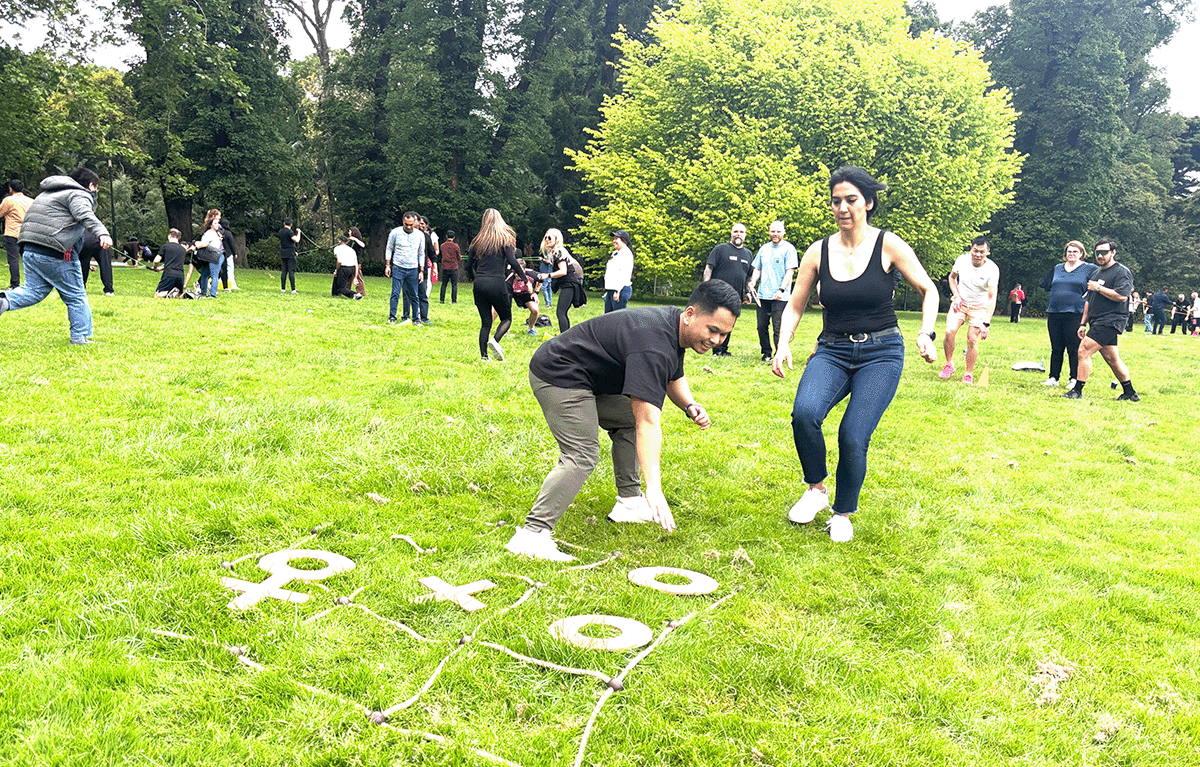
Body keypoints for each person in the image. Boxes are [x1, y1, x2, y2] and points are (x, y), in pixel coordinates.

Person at [505, 279, 742, 561]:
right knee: (582, 454)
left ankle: (629, 503)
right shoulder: (653, 343)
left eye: (724, 334)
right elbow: (647, 423)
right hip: (559, 374)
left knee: (626, 418)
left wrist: (689, 405)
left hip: (589, 378)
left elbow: (673, 374)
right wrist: (654, 489)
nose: (716, 340)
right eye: (713, 330)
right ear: (690, 314)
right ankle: (531, 536)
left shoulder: (674, 325)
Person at [772, 166, 939, 543]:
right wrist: (783, 344)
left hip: (882, 352)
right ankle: (816, 490)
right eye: (836, 201)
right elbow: (795, 305)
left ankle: (843, 512)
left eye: (851, 199)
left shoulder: (889, 245)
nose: (843, 207)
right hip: (832, 349)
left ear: (868, 203)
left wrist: (926, 333)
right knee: (805, 414)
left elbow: (929, 290)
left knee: (852, 433)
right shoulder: (818, 251)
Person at [0, 168, 113, 344]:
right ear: (91, 185)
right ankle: (80, 336)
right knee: (76, 295)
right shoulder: (79, 194)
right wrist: (102, 233)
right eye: (96, 187)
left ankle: (3, 302)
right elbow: (84, 214)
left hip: (29, 248)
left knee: (34, 291)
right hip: (56, 251)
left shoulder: (47, 193)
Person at [1064, 239, 1138, 401]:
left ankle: (1077, 390)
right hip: (1096, 320)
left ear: (1113, 253)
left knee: (1083, 350)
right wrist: (1083, 323)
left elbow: (1122, 296)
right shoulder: (1096, 273)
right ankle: (1130, 393)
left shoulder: (1121, 272)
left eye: (1104, 252)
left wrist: (1098, 287)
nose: (1100, 256)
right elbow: (1088, 301)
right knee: (1112, 359)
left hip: (1112, 320)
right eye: (1097, 253)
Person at [465, 208, 527, 361]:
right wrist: (524, 279)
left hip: (479, 283)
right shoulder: (504, 240)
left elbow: (467, 266)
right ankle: (495, 340)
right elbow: (513, 261)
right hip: (497, 282)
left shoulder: (476, 242)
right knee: (506, 318)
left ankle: (484, 357)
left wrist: (475, 278)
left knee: (485, 323)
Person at [937, 236, 998, 384]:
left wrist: (986, 323)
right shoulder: (962, 261)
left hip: (979, 307)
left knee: (972, 339)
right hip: (960, 303)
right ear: (971, 249)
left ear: (987, 252)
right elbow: (952, 278)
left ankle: (968, 373)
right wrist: (956, 295)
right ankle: (949, 364)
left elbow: (991, 297)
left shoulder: (992, 269)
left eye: (982, 252)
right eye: (975, 251)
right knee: (949, 332)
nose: (978, 255)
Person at [1038, 240, 1098, 388]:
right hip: (1055, 311)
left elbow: (1101, 281)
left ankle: (1074, 379)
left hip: (1075, 312)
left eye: (1075, 251)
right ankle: (1053, 377)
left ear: (1081, 253)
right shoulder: (1058, 268)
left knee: (1074, 347)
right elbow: (1046, 284)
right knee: (1056, 347)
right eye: (1069, 251)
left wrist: (1090, 292)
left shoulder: (1089, 268)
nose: (1071, 254)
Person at [747, 220, 798, 362]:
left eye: (778, 231)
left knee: (778, 327)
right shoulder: (764, 248)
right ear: (769, 232)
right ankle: (766, 353)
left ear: (783, 232)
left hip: (780, 297)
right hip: (763, 295)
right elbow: (757, 268)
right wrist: (753, 281)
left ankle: (778, 355)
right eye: (773, 231)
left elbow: (790, 272)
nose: (775, 234)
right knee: (761, 326)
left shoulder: (789, 249)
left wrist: (781, 290)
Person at [702, 222, 754, 356]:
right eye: (736, 231)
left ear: (745, 235)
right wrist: (706, 287)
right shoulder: (720, 249)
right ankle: (715, 349)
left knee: (729, 323)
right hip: (718, 294)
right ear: (731, 233)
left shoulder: (748, 254)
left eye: (741, 232)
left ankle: (723, 349)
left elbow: (748, 276)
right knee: (717, 321)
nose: (738, 234)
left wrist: (748, 292)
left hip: (736, 296)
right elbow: (709, 268)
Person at [384, 211, 424, 325]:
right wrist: (388, 265)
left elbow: (421, 253)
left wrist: (421, 271)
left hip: (413, 268)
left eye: (411, 225)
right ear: (403, 221)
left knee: (414, 295)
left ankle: (416, 319)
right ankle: (392, 317)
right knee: (395, 293)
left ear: (414, 222)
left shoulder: (419, 235)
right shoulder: (395, 232)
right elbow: (389, 248)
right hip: (398, 267)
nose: (409, 227)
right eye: (406, 224)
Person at [543, 228, 583, 332]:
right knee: (562, 312)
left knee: (561, 312)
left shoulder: (559, 252)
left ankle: (564, 338)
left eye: (549, 238)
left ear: (556, 239)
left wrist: (548, 275)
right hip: (568, 284)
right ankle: (566, 336)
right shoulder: (557, 251)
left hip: (569, 284)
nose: (546, 240)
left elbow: (563, 271)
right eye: (545, 238)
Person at [0, 179, 33, 288]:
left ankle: (15, 284)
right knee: (28, 258)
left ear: (11, 189)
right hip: (27, 233)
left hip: (13, 233)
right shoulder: (30, 201)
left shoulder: (9, 200)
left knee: (13, 259)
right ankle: (31, 283)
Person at [193, 210, 224, 298]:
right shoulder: (210, 233)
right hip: (212, 256)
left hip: (215, 255)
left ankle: (212, 294)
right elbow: (205, 243)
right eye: (215, 223)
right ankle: (203, 292)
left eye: (217, 223)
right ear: (211, 225)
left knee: (213, 275)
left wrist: (196, 245)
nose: (217, 225)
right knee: (205, 274)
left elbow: (205, 244)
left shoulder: (215, 233)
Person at [603, 230, 634, 312]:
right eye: (613, 239)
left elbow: (624, 274)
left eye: (616, 239)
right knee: (608, 317)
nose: (614, 241)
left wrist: (617, 290)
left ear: (624, 240)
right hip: (612, 289)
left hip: (620, 289)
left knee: (618, 317)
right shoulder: (616, 253)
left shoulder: (626, 253)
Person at [153, 229, 189, 297]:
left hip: (169, 274)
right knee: (178, 296)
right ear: (178, 238)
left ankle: (168, 293)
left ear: (169, 236)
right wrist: (161, 268)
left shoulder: (166, 246)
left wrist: (155, 267)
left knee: (157, 295)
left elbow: (156, 261)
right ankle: (181, 294)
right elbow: (175, 263)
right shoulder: (183, 249)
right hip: (180, 276)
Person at [78, 229, 115, 296]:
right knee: (105, 265)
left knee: (83, 264)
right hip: (100, 241)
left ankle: (81, 286)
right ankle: (109, 289)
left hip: (89, 241)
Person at [417, 216, 436, 324]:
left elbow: (432, 252)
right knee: (409, 294)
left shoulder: (426, 237)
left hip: (423, 268)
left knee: (423, 293)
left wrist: (435, 267)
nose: (420, 225)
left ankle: (424, 316)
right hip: (410, 268)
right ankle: (409, 315)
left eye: (422, 223)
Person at [331, 235, 363, 299]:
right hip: (352, 268)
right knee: (336, 279)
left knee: (341, 288)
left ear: (339, 241)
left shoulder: (337, 248)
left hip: (344, 268)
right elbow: (356, 263)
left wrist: (336, 270)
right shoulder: (351, 250)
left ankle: (355, 294)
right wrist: (355, 276)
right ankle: (335, 294)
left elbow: (339, 261)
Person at [278, 218, 301, 294]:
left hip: (283, 252)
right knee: (291, 271)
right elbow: (296, 240)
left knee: (284, 271)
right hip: (290, 254)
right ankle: (293, 290)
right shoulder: (289, 232)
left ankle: (283, 289)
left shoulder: (281, 232)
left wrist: (295, 251)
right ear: (291, 224)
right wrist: (299, 232)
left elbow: (287, 242)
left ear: (284, 223)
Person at [439, 230, 462, 304]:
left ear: (446, 236)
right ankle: (454, 300)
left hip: (445, 267)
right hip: (454, 267)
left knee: (444, 284)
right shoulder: (456, 246)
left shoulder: (442, 246)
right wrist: (459, 258)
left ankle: (442, 300)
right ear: (454, 237)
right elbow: (458, 256)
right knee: (454, 285)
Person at [219, 221, 239, 291]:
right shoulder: (228, 233)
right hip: (228, 253)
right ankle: (232, 284)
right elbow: (232, 244)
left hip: (219, 253)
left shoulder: (218, 233)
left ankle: (219, 282)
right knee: (230, 269)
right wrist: (235, 253)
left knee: (220, 269)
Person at [347, 227, 367, 297]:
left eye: (349, 231)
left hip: (356, 262)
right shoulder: (349, 241)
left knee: (358, 278)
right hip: (349, 261)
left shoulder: (358, 241)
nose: (348, 233)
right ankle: (346, 291)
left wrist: (355, 239)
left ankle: (361, 293)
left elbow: (363, 245)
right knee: (348, 278)